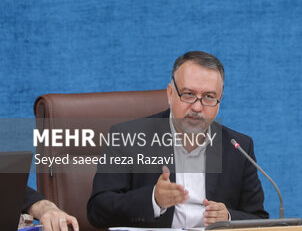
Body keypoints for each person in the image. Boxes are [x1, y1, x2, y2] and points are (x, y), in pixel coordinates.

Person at [87, 51, 268, 229]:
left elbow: (259, 219)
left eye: (209, 97)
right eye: (188, 94)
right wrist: (153, 200)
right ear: (170, 93)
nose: (197, 107)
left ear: (219, 101)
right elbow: (98, 210)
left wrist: (228, 217)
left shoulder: (238, 147)